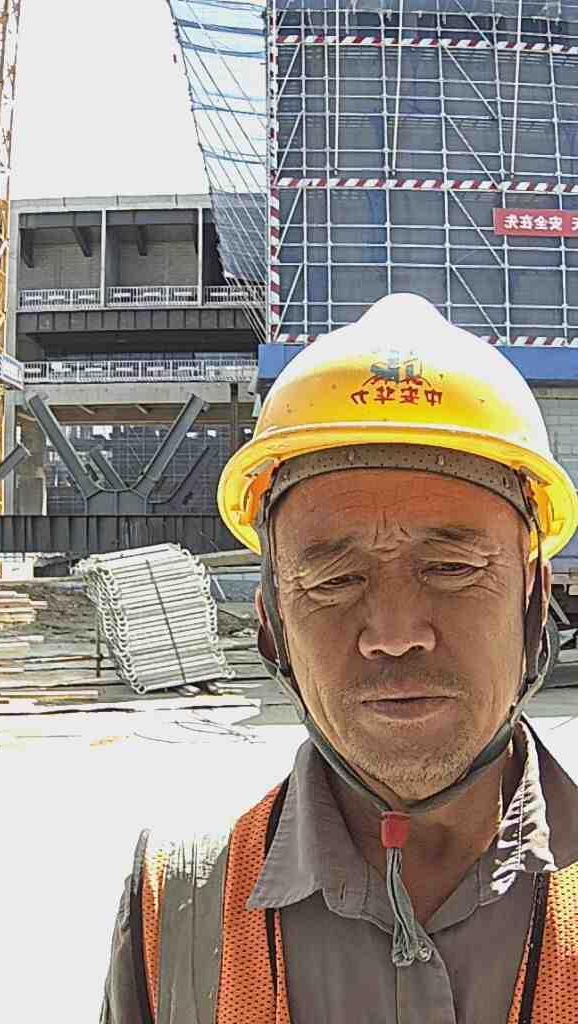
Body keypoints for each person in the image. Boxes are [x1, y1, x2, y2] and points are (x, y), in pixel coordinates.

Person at [100, 294, 578, 1024]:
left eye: (451, 568)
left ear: (534, 600)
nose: (394, 633)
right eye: (333, 579)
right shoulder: (176, 908)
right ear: (272, 626)